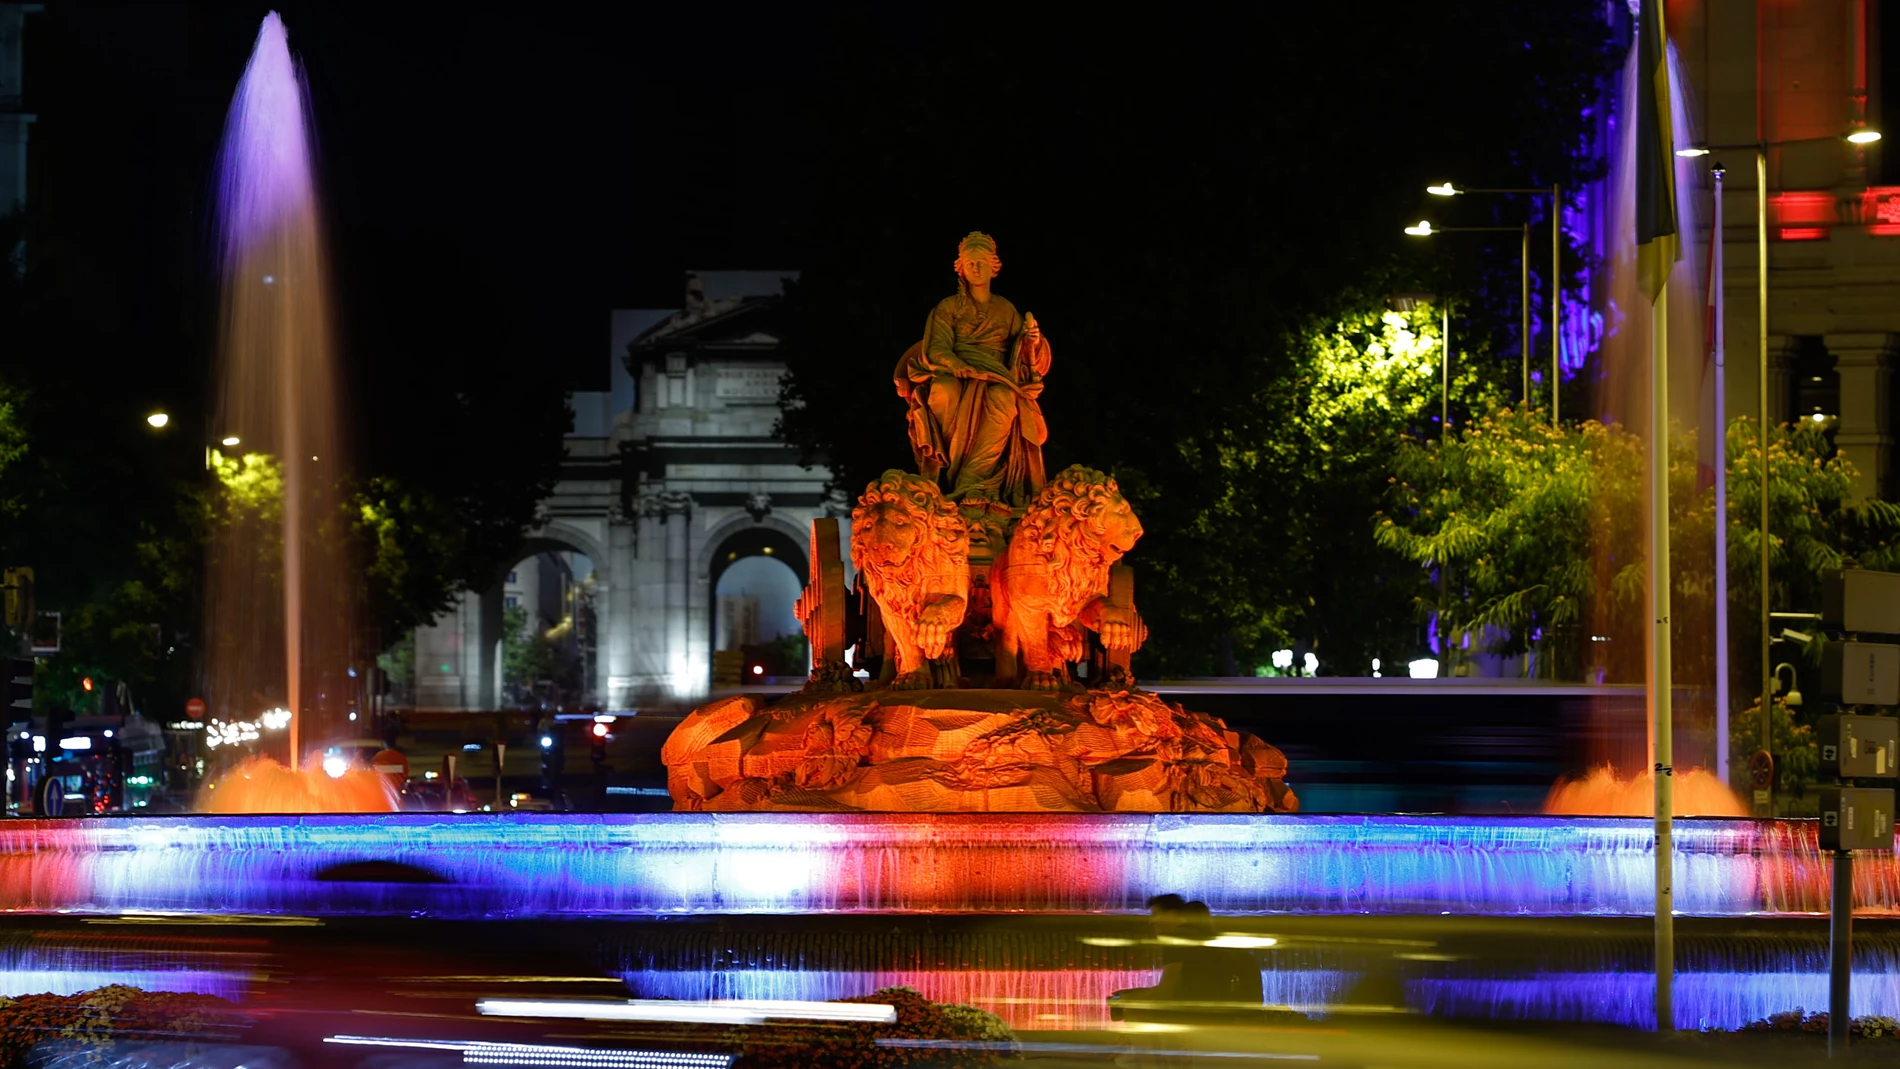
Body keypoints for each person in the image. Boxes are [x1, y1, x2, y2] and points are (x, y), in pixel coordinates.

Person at [894, 232, 1052, 506]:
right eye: (970, 263)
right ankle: (948, 478)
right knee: (943, 391)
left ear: (994, 267)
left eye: (981, 263)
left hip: (997, 376)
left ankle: (974, 481)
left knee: (1003, 398)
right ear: (961, 268)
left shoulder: (1006, 309)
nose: (976, 268)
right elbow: (936, 348)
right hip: (956, 371)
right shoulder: (948, 307)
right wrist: (959, 366)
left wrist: (1033, 340)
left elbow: (1024, 355)